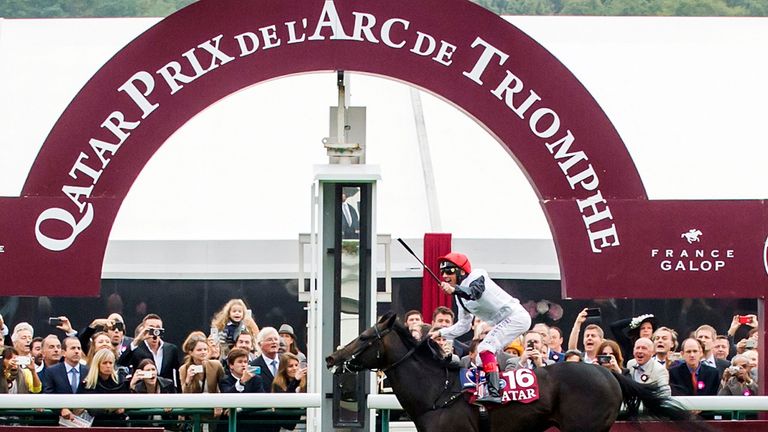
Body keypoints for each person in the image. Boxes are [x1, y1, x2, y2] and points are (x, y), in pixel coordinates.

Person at [429, 252, 531, 404]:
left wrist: (454, 290)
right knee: (478, 358)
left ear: (462, 271)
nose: (444, 275)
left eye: (449, 271)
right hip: (505, 321)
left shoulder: (477, 275)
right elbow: (464, 325)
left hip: (516, 316)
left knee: (485, 348)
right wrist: (439, 333)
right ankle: (488, 390)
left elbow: (475, 292)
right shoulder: (460, 298)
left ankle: (495, 393)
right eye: (442, 272)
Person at [118, 313, 183, 389]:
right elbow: (121, 362)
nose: (155, 332)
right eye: (151, 329)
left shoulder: (171, 349)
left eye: (158, 328)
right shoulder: (136, 349)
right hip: (143, 393)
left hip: (165, 394)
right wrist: (137, 340)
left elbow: (176, 377)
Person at [79, 349, 130, 425]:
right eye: (104, 363)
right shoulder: (88, 384)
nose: (108, 366)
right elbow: (92, 409)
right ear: (97, 364)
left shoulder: (120, 381)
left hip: (117, 423)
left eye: (110, 363)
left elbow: (128, 400)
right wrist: (114, 408)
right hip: (96, 424)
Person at [250, 327, 282, 392]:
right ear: (260, 344)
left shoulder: (286, 362)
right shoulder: (253, 366)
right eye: (269, 340)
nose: (274, 342)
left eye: (276, 339)